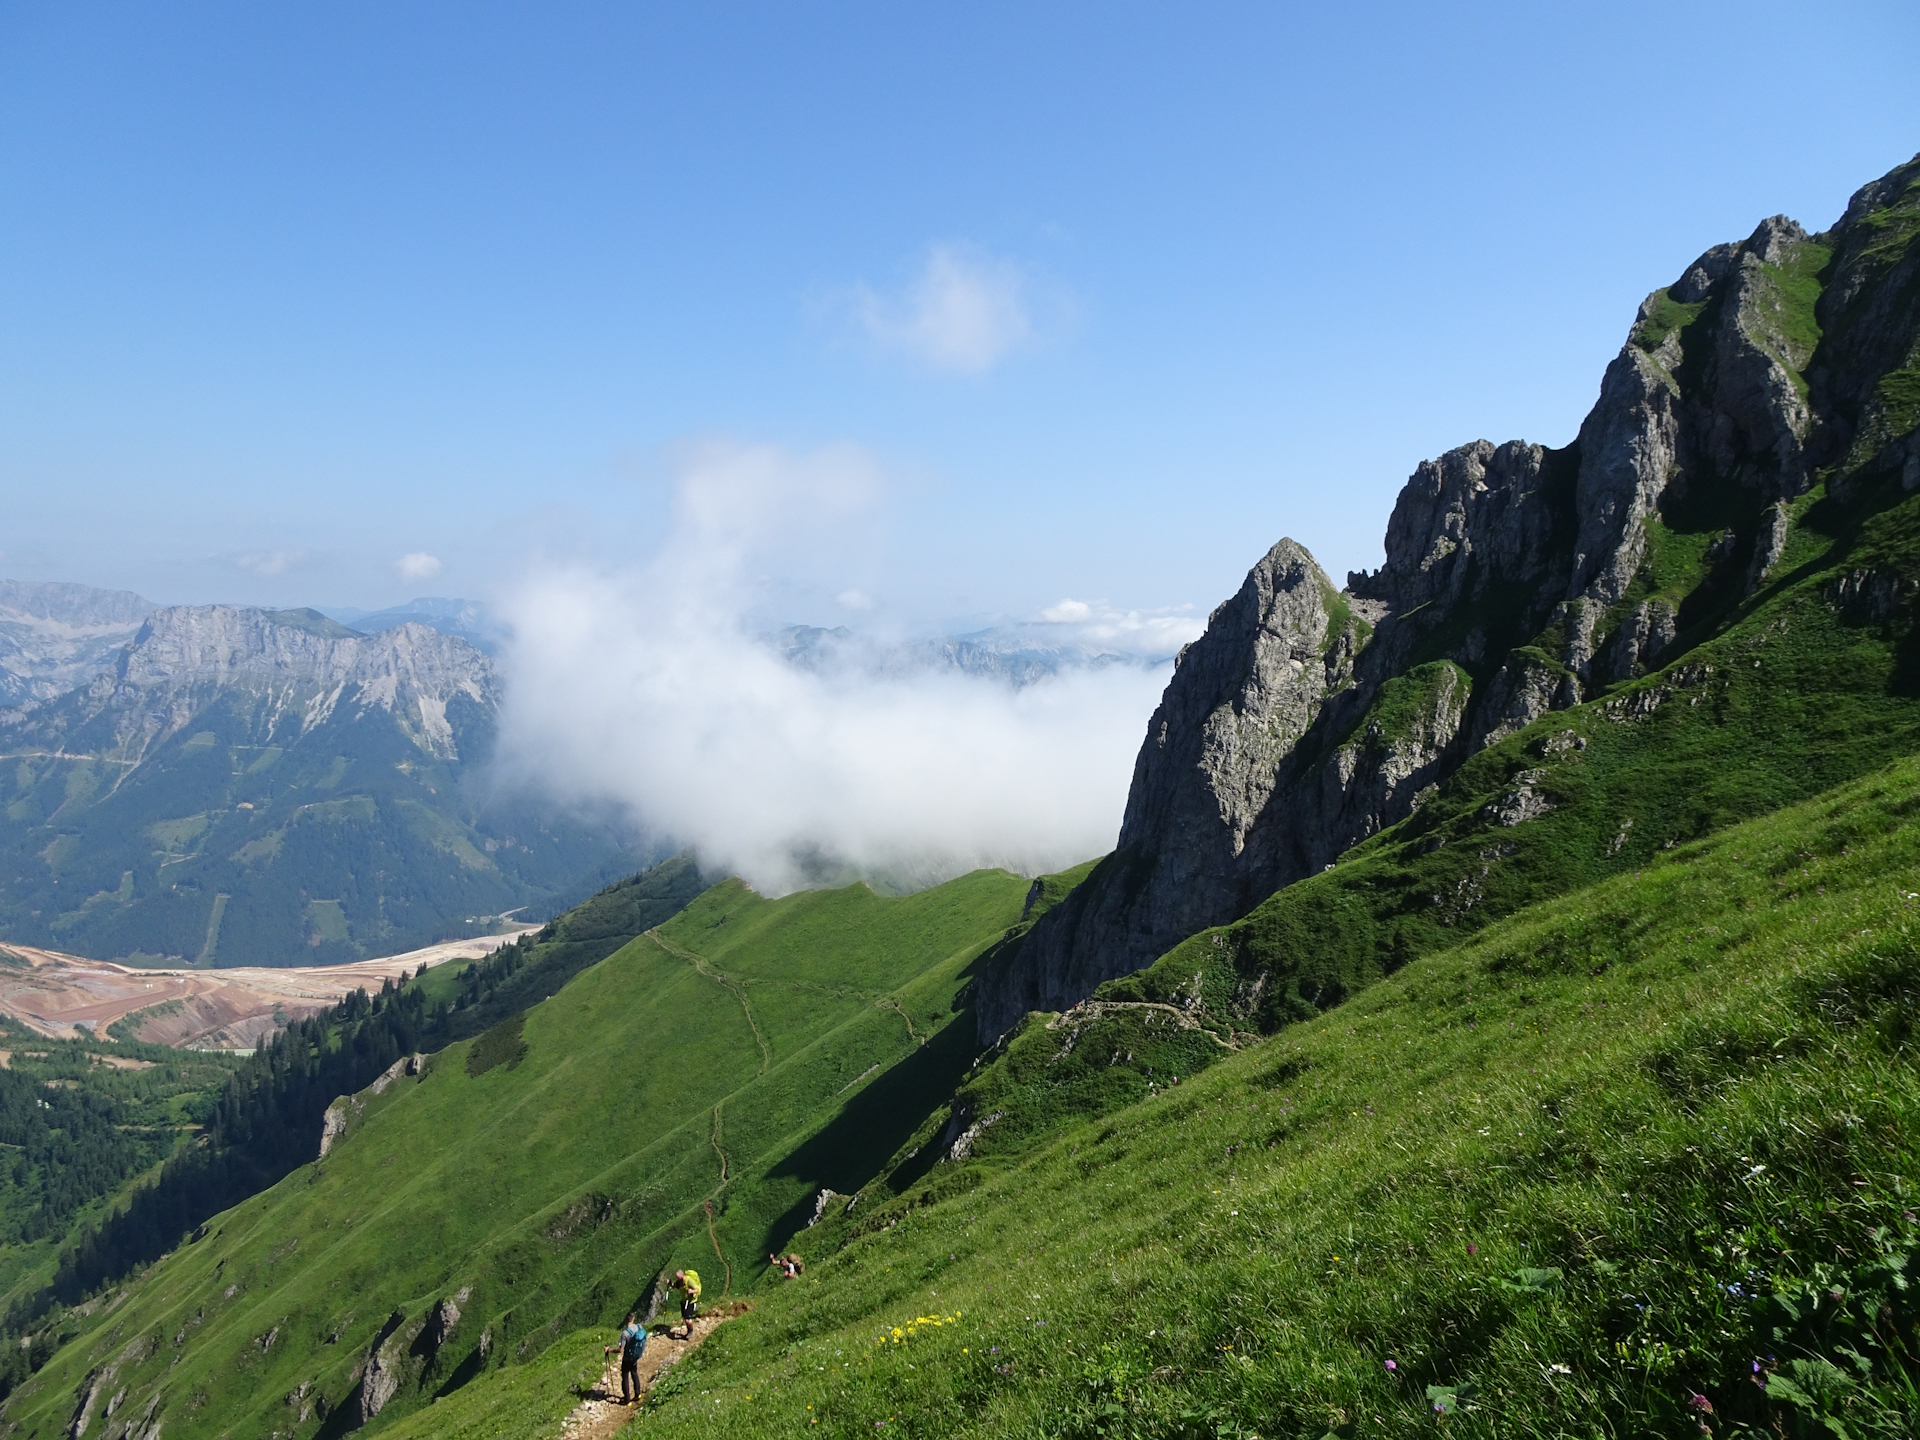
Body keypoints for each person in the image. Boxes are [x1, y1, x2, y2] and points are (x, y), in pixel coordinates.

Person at [604, 1312, 647, 1403]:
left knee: (625, 1376)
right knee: (634, 1373)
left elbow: (620, 1350)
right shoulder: (638, 1327)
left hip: (627, 1358)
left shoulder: (625, 1333)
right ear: (633, 1319)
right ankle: (637, 1394)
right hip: (635, 1356)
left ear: (625, 1320)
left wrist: (609, 1350)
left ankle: (627, 1399)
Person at [670, 1268, 701, 1337]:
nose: (677, 1279)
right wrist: (670, 1283)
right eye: (677, 1277)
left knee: (687, 1319)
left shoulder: (689, 1280)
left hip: (691, 1301)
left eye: (678, 1277)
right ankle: (688, 1330)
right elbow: (675, 1285)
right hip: (684, 1301)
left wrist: (691, 1291)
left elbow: (697, 1290)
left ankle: (690, 1330)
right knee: (685, 1318)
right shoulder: (680, 1281)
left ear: (682, 1275)